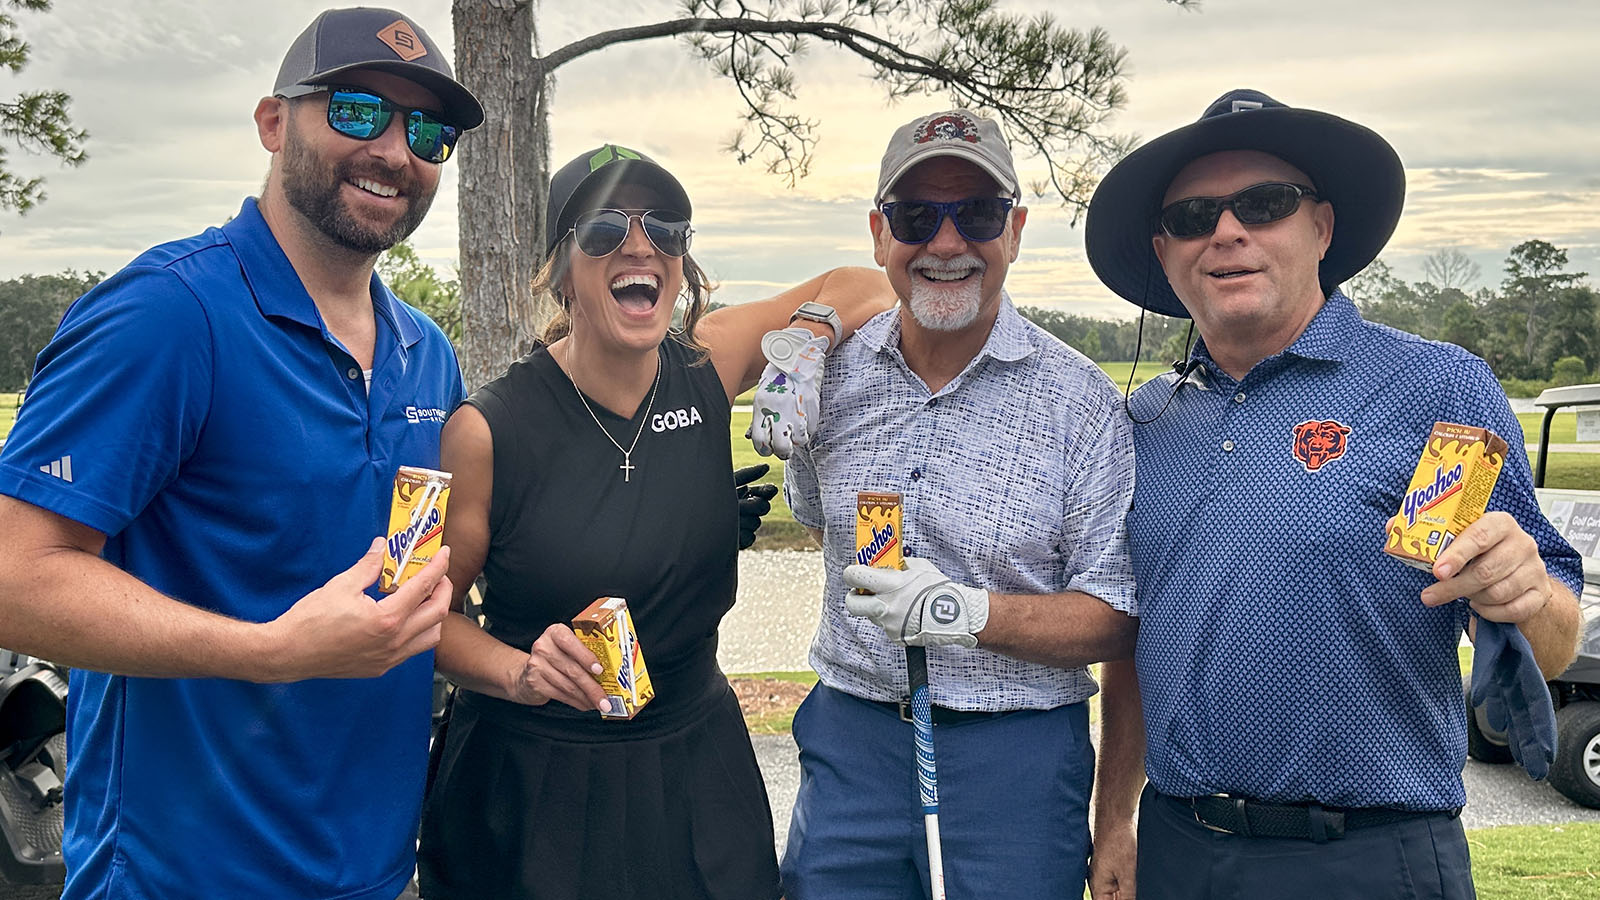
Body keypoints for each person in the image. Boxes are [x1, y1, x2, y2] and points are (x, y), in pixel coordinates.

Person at [0, 8, 483, 899]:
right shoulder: (167, 315)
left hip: (373, 872)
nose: (394, 149)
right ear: (273, 121)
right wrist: (269, 650)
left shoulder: (426, 352)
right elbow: (14, 578)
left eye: (426, 131)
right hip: (180, 875)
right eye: (355, 109)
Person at [1083, 88, 1583, 899]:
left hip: (1370, 857)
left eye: (1265, 203)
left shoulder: (1433, 389)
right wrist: (1115, 823)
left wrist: (1528, 596)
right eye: (1193, 216)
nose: (1227, 231)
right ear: (1165, 251)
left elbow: (1552, 642)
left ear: (1322, 227)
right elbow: (1136, 645)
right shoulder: (1146, 422)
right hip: (1181, 850)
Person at [413, 143, 895, 900]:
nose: (640, 244)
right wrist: (519, 671)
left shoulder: (705, 366)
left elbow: (864, 282)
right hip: (533, 776)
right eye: (605, 228)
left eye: (665, 227)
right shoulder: (488, 429)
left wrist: (806, 341)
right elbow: (417, 613)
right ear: (562, 270)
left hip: (693, 763)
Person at [778, 108, 1142, 900]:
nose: (946, 243)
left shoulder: (1080, 401)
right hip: (853, 739)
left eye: (975, 214)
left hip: (1014, 756)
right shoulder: (829, 381)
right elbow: (815, 518)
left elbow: (1116, 617)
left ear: (1013, 230)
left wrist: (964, 612)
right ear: (880, 234)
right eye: (917, 216)